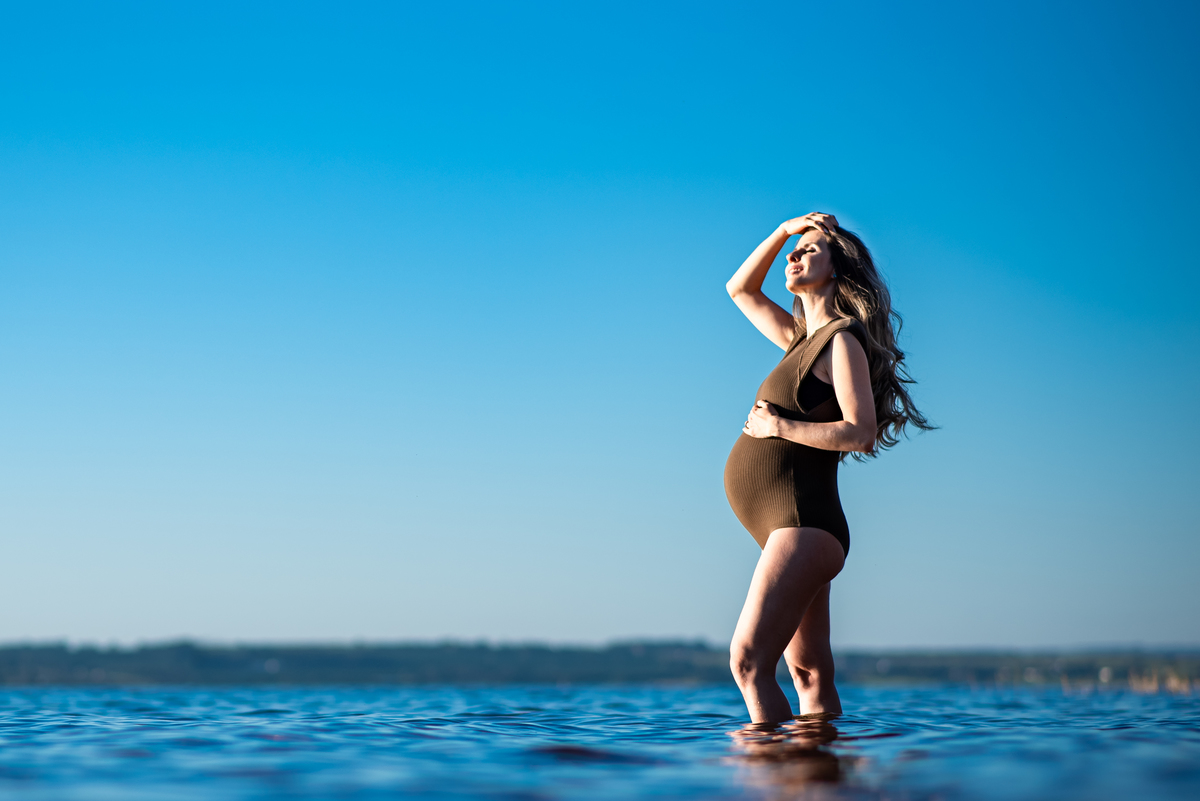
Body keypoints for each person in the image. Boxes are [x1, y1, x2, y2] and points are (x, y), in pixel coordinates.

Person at [723, 212, 932, 723]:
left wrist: (779, 427)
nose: (794, 254)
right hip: (791, 527)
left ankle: (768, 767)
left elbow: (860, 432)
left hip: (804, 525)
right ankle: (817, 768)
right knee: (810, 673)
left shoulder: (841, 341)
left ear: (836, 268)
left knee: (748, 662)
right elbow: (739, 290)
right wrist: (783, 230)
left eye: (810, 248)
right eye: (794, 250)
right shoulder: (799, 340)